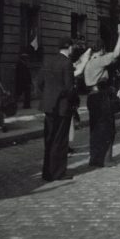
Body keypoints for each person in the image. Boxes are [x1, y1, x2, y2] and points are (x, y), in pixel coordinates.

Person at [84, 24, 120, 167]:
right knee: (108, 128)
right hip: (101, 97)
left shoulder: (88, 63)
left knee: (95, 129)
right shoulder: (99, 61)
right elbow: (116, 54)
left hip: (91, 96)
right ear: (101, 50)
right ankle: (106, 159)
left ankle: (94, 158)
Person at [38, 37, 75, 181]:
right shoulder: (67, 63)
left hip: (49, 106)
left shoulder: (48, 61)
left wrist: (49, 95)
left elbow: (40, 82)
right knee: (60, 140)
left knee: (49, 139)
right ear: (69, 47)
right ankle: (58, 172)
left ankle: (47, 172)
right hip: (62, 107)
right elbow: (69, 89)